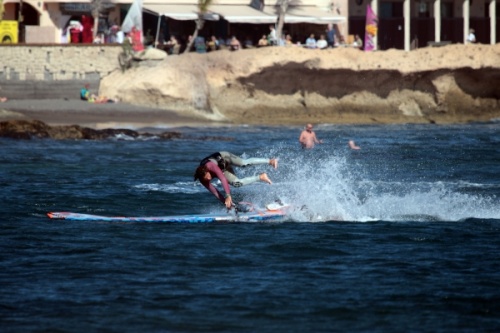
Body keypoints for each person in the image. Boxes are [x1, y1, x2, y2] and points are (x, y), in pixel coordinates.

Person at [194, 152, 278, 209]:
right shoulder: (203, 179)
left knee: (243, 163)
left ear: (207, 171)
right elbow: (215, 192)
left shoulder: (210, 166)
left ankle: (270, 161)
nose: (208, 179)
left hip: (224, 157)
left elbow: (222, 179)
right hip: (223, 169)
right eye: (206, 179)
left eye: (208, 176)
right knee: (237, 183)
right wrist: (226, 203)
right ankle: (261, 177)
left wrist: (228, 195)